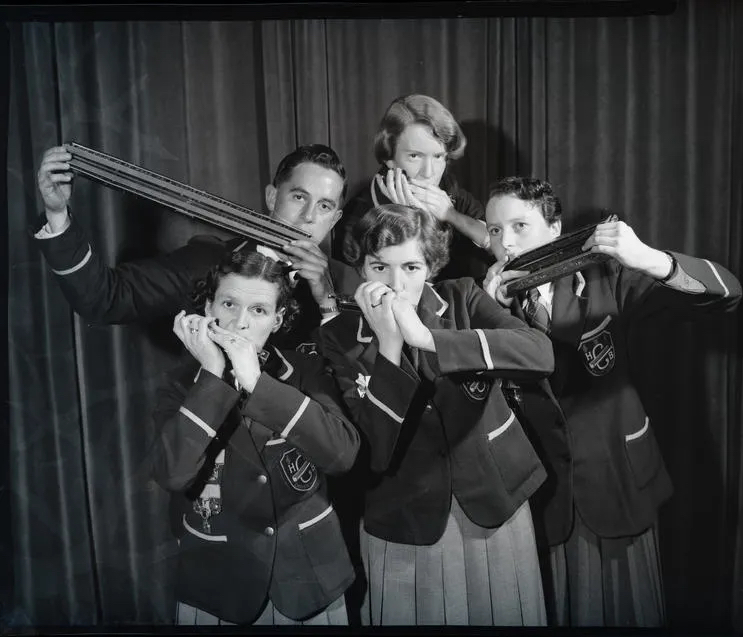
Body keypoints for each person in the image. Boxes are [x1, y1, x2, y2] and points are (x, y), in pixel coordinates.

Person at [482, 177, 743, 627]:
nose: (505, 242)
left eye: (519, 226)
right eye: (494, 230)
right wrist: (491, 317)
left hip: (618, 486)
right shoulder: (486, 303)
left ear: (555, 228)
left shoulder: (608, 276)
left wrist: (649, 258)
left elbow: (728, 293)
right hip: (541, 501)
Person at [318, 203, 555, 626]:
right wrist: (389, 349)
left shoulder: (462, 295)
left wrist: (427, 339)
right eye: (379, 267)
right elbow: (371, 453)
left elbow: (540, 353)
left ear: (431, 266)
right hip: (405, 516)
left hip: (494, 496)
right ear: (360, 268)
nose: (395, 284)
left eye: (411, 267)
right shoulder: (338, 336)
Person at [149, 248, 360, 625]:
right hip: (218, 584)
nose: (239, 323)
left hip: (309, 578)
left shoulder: (306, 370)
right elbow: (172, 474)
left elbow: (343, 455)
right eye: (228, 304)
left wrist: (257, 384)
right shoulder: (181, 383)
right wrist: (212, 375)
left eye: (258, 310)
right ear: (208, 307)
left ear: (278, 320)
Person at [31, 143, 362, 351]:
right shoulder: (209, 259)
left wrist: (326, 297)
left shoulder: (351, 284)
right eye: (299, 197)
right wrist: (57, 214)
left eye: (324, 206)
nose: (308, 217)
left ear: (335, 219)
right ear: (272, 197)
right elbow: (106, 299)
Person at [332, 94, 492, 282]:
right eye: (415, 156)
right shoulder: (358, 217)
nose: (429, 172)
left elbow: (503, 247)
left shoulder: (450, 191)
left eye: (438, 156)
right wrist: (414, 220)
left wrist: (452, 216)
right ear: (389, 158)